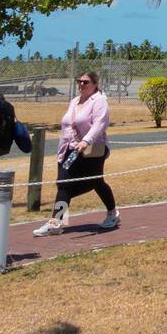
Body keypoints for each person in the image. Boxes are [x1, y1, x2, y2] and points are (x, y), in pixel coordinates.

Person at [34, 71, 118, 236]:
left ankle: (112, 213)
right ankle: (58, 223)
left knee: (91, 182)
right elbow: (67, 126)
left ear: (94, 84)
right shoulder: (74, 101)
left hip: (91, 150)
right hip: (69, 150)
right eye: (79, 81)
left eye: (85, 82)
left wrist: (86, 140)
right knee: (67, 184)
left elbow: (100, 124)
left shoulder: (99, 101)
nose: (81, 84)